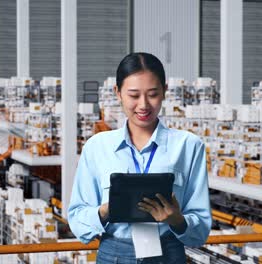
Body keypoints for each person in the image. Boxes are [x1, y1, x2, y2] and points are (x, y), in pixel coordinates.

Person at [68, 52, 211, 263]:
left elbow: (200, 229)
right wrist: (106, 210)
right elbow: (78, 221)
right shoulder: (97, 147)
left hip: (168, 253)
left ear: (164, 92)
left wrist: (177, 220)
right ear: (118, 93)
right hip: (114, 254)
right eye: (134, 95)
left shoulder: (189, 146)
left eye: (152, 94)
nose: (143, 105)